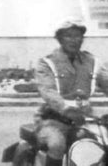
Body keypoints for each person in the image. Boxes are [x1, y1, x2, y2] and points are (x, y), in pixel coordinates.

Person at [34, 18, 108, 166]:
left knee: (100, 146)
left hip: (85, 120)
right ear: (59, 39)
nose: (74, 40)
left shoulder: (92, 61)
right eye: (69, 36)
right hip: (54, 120)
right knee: (56, 145)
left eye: (78, 36)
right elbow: (47, 90)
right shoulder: (47, 63)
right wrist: (65, 108)